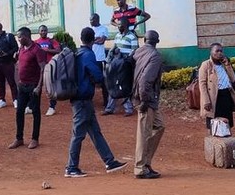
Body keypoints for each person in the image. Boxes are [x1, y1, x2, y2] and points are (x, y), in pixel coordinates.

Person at [64, 27, 128, 178]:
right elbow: (98, 75)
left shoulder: (79, 54)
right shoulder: (88, 54)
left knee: (95, 132)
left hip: (82, 100)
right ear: (93, 40)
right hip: (82, 101)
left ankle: (109, 161)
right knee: (78, 134)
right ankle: (71, 167)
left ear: (81, 38)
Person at [132, 30, 165, 179]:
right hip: (145, 98)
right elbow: (145, 80)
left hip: (143, 97)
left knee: (159, 126)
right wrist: (144, 100)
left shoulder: (138, 51)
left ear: (145, 39)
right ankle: (140, 167)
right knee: (144, 133)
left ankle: (145, 162)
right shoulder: (155, 56)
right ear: (157, 41)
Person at [8, 27, 46, 150]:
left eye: (20, 37)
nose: (18, 39)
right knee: (19, 112)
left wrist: (39, 86)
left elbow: (42, 68)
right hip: (22, 85)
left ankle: (35, 138)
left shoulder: (37, 50)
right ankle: (19, 138)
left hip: (33, 86)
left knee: (35, 112)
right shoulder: (21, 49)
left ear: (26, 36)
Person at [198, 43, 235, 132]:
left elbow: (233, 79)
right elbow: (202, 84)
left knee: (227, 122)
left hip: (226, 95)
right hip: (213, 98)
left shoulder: (224, 64)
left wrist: (228, 65)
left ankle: (227, 142)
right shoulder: (206, 65)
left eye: (221, 51)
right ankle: (213, 143)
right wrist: (206, 101)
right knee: (213, 123)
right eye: (217, 51)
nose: (219, 53)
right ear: (211, 52)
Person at [103, 18, 138, 116]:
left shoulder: (132, 37)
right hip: (116, 64)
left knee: (123, 85)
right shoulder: (117, 36)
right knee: (113, 84)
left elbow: (134, 51)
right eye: (118, 25)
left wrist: (125, 59)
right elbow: (114, 47)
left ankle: (129, 109)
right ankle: (110, 108)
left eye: (120, 25)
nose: (118, 27)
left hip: (125, 65)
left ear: (125, 26)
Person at [0, 22, 18, 109]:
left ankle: (15, 99)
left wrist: (7, 54)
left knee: (11, 82)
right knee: (0, 83)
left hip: (8, 63)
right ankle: (2, 100)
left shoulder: (9, 36)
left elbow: (15, 48)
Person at [34, 25, 61, 116]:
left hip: (49, 67)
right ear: (39, 32)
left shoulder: (51, 41)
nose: (43, 32)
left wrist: (47, 50)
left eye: (45, 30)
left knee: (50, 87)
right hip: (38, 68)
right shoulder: (36, 42)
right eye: (41, 30)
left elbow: (58, 50)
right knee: (37, 86)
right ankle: (33, 105)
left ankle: (52, 107)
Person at [90, 13, 109, 105]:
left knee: (103, 81)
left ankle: (106, 101)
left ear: (97, 19)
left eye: (92, 20)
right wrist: (96, 39)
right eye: (90, 20)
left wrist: (93, 40)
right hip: (91, 58)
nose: (90, 22)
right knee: (90, 80)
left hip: (100, 59)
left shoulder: (103, 29)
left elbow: (101, 41)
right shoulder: (90, 29)